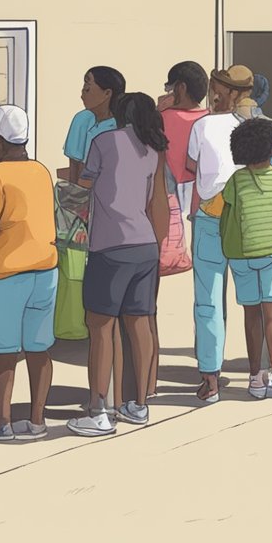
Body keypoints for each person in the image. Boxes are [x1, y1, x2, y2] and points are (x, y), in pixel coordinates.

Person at [67, 93, 167, 436]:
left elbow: (84, 185)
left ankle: (99, 410)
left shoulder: (104, 141)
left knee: (100, 327)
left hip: (110, 245)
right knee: (139, 324)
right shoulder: (152, 149)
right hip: (145, 245)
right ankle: (138, 405)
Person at [0, 106, 59, 442]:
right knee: (38, 349)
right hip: (44, 269)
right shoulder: (40, 171)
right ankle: (37, 421)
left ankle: (2, 422)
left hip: (4, 273)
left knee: (5, 352)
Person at [186, 65, 253, 400]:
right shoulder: (254, 128)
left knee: (208, 299)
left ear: (229, 91)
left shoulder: (203, 125)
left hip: (210, 217)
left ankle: (210, 377)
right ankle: (261, 372)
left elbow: (189, 165)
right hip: (243, 218)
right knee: (253, 298)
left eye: (218, 86)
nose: (213, 91)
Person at [222, 118, 272, 399]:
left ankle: (255, 377)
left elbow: (222, 209)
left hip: (243, 255)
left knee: (251, 315)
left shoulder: (236, 181)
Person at [156, 62, 208, 216]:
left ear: (181, 88)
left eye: (170, 89)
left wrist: (157, 110)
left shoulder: (161, 119)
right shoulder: (210, 119)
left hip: (168, 197)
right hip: (203, 198)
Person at [63, 67, 125, 185]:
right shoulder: (81, 119)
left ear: (107, 93)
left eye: (87, 88)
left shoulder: (120, 125)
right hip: (84, 192)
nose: (82, 94)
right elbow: (74, 168)